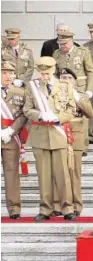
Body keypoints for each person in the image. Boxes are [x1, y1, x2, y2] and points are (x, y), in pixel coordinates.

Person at [23, 57, 76, 221]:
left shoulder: (65, 85)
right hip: (40, 134)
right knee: (44, 174)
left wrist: (58, 117)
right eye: (42, 73)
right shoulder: (32, 87)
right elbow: (27, 109)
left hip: (58, 132)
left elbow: (71, 109)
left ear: (53, 70)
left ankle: (67, 207)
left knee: (62, 174)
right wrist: (40, 115)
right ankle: (45, 208)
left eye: (47, 73)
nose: (44, 77)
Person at [56, 68, 93, 216]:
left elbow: (90, 113)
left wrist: (77, 98)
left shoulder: (81, 96)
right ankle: (59, 205)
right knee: (59, 173)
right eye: (63, 77)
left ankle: (77, 205)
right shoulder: (55, 94)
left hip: (75, 138)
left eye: (69, 78)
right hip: (58, 136)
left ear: (75, 81)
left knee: (74, 174)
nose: (66, 80)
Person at [1, 61, 27, 220]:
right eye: (4, 72)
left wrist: (11, 130)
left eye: (10, 73)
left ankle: (14, 208)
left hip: (10, 137)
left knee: (11, 175)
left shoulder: (20, 92)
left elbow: (25, 113)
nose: (8, 76)